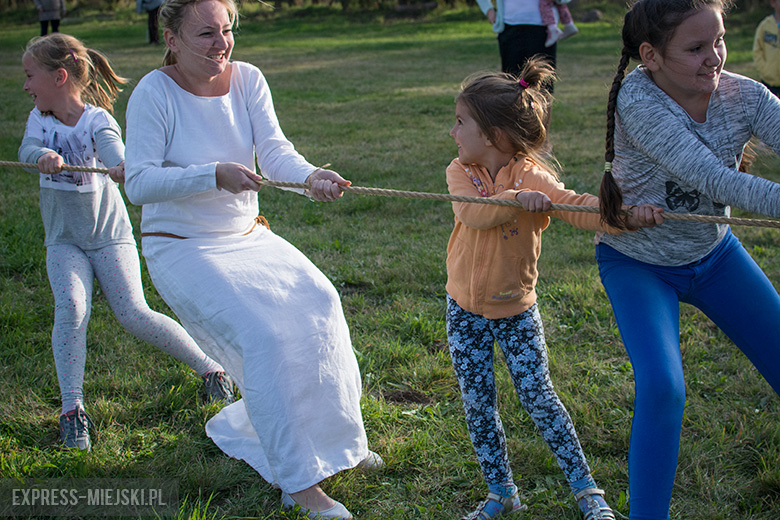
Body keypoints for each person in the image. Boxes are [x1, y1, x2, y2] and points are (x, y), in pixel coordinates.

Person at [123, 1, 380, 518]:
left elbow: (275, 150)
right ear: (171, 39)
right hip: (181, 245)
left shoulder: (249, 79)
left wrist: (310, 177)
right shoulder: (153, 93)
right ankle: (300, 483)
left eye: (227, 30)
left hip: (246, 235)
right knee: (263, 335)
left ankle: (338, 442)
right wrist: (211, 173)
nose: (222, 44)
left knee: (322, 303)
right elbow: (138, 181)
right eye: (206, 34)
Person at [445, 57, 663, 520]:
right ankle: (500, 491)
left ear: (493, 135)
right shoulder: (460, 172)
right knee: (478, 403)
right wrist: (512, 201)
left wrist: (627, 216)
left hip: (515, 313)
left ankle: (588, 493)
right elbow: (472, 214)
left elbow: (578, 207)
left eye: (460, 122)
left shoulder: (534, 178)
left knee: (539, 397)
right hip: (463, 310)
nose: (453, 132)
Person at [598, 0, 780, 518]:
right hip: (638, 265)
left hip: (714, 254)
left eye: (719, 41)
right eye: (696, 48)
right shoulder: (640, 100)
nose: (714, 58)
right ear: (650, 56)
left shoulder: (743, 95)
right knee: (663, 387)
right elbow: (714, 179)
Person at [18, 33, 235, 453]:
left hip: (108, 237)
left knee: (134, 313)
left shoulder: (97, 119)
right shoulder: (39, 121)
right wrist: (40, 155)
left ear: (59, 77)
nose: (25, 86)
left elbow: (114, 149)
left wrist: (121, 165)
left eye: (30, 76)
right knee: (72, 308)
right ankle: (71, 409)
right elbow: (27, 148)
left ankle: (211, 370)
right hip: (64, 240)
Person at [477, 0, 557, 80]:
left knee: (542, 79)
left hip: (544, 27)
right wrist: (488, 9)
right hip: (509, 26)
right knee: (512, 79)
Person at [753, 0, 780, 97]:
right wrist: (765, 70)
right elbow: (757, 50)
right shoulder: (765, 26)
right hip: (768, 80)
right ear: (773, 3)